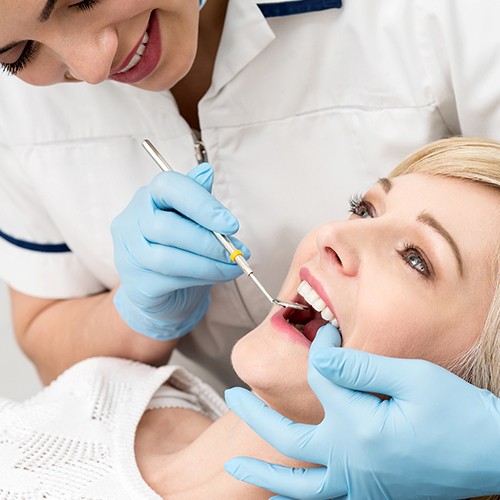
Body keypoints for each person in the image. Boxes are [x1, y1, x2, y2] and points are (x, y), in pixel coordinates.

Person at [0, 0, 500, 496]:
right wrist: (134, 316)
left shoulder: (448, 17)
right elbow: (45, 327)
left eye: (416, 259)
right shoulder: (96, 409)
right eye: (19, 53)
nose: (92, 68)